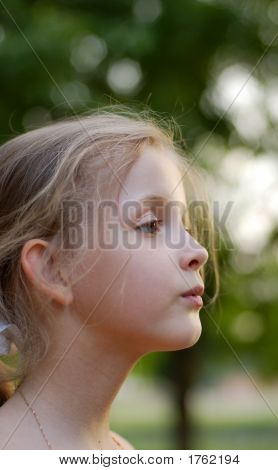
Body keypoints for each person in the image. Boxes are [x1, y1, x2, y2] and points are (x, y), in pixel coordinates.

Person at [0, 106, 218, 450]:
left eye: (187, 228)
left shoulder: (121, 449)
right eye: (150, 225)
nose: (198, 252)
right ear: (53, 269)